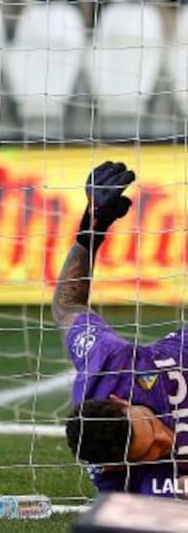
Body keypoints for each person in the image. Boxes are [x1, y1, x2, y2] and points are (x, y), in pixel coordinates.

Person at [56, 161, 188, 497]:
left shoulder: (106, 367)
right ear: (117, 466)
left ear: (119, 402)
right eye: (150, 452)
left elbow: (68, 306)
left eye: (150, 427)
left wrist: (92, 228)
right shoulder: (137, 487)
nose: (163, 439)